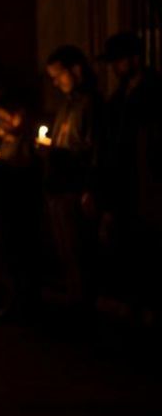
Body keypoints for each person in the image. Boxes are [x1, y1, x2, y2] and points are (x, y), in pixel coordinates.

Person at [98, 31, 162, 311]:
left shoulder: (153, 93)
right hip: (123, 185)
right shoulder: (119, 97)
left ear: (135, 59)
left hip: (146, 186)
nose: (115, 67)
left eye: (119, 61)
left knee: (148, 250)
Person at [42, 45, 101, 316]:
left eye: (58, 75)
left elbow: (93, 148)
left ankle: (83, 306)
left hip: (74, 185)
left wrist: (90, 187)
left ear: (76, 70)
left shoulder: (90, 104)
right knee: (65, 249)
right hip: (59, 183)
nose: (55, 82)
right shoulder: (68, 104)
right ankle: (73, 301)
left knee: (79, 250)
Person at [0, 88, 44, 323]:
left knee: (24, 255)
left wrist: (0, 169)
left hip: (22, 207)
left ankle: (27, 302)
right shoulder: (5, 142)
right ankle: (15, 298)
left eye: (3, 117)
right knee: (10, 254)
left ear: (18, 116)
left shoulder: (27, 143)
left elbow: (26, 172)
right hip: (5, 204)